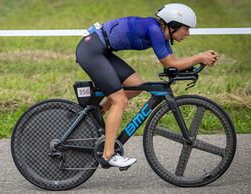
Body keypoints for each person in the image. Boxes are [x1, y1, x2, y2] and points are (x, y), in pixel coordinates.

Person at [75, 3, 218, 168]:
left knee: (136, 84)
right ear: (173, 26)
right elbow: (171, 63)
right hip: (91, 50)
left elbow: (172, 65)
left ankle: (97, 114)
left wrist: (193, 64)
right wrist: (199, 57)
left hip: (99, 49)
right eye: (186, 29)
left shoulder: (162, 34)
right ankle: (108, 155)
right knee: (120, 100)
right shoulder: (155, 30)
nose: (188, 33)